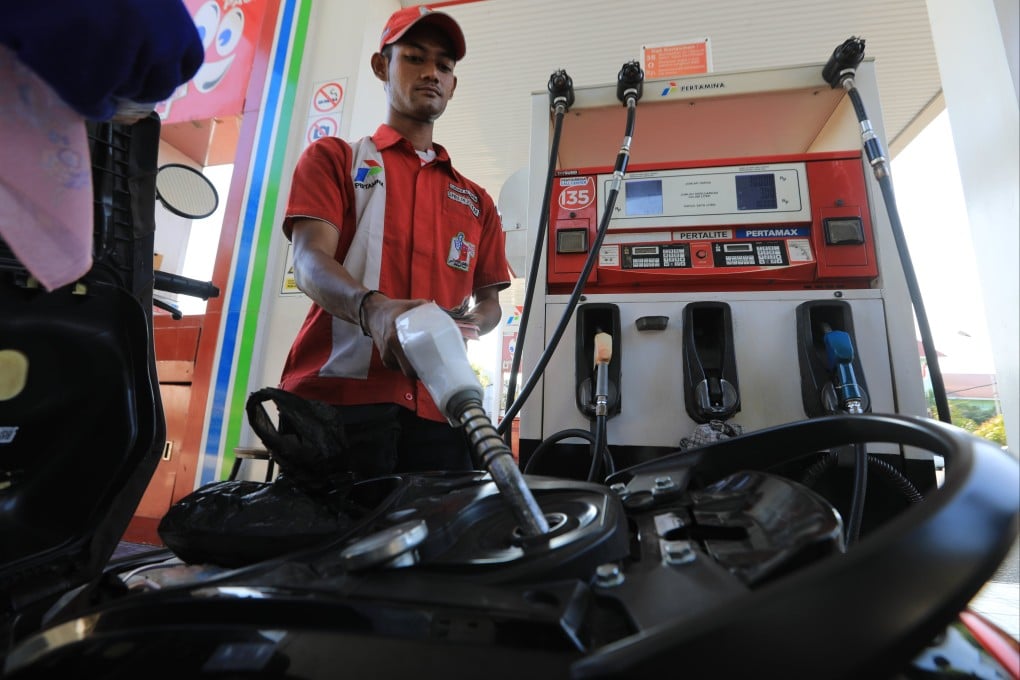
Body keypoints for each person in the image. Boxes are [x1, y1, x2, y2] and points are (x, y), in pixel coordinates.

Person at [278, 7, 510, 477]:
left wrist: (465, 328)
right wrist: (373, 308)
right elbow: (307, 259)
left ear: (453, 84)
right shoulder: (335, 159)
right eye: (414, 58)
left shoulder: (477, 201)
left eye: (444, 66)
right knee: (327, 548)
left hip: (442, 410)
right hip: (337, 403)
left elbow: (489, 302)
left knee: (440, 548)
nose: (431, 73)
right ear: (382, 67)